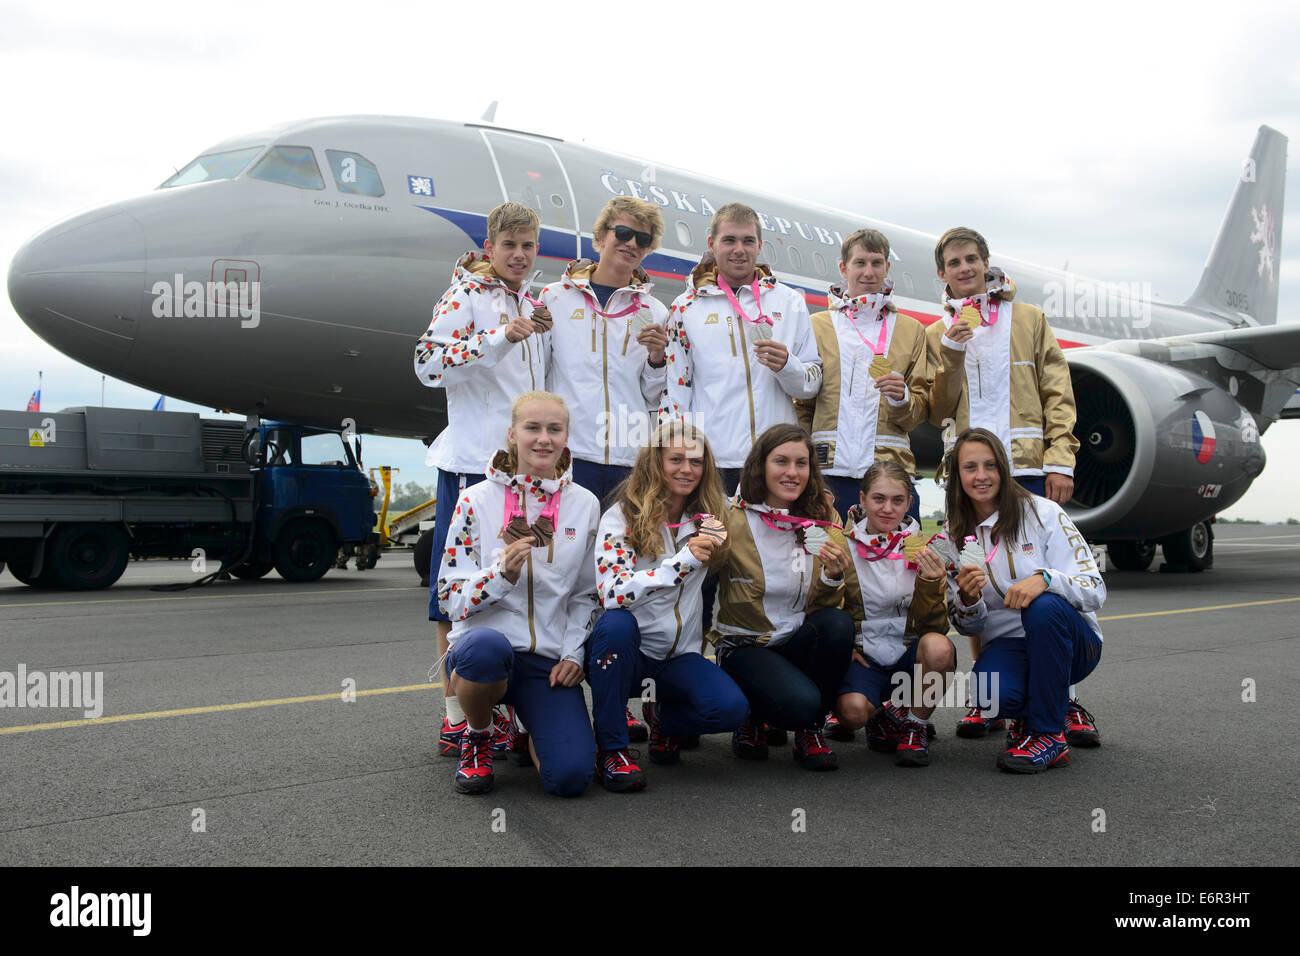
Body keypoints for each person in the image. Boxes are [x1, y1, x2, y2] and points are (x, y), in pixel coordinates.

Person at [925, 226, 1096, 742]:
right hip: (970, 473)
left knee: (1040, 575)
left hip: (1023, 467)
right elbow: (934, 410)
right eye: (954, 263)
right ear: (943, 274)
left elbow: (1057, 393)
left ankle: (1063, 700)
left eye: (972, 259)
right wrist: (952, 352)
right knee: (982, 574)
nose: (965, 269)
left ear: (986, 263)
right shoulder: (938, 334)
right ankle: (990, 700)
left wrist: (1061, 460)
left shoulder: (1030, 319)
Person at [414, 202, 550, 759]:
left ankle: (511, 709)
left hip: (525, 474)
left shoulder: (534, 304)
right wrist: (496, 337)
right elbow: (425, 364)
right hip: (473, 467)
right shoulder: (464, 296)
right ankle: (456, 714)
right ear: (490, 247)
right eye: (509, 245)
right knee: (457, 593)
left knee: (519, 585)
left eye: (528, 246)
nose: (519, 255)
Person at [541, 196, 671, 745]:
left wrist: (660, 360)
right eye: (622, 233)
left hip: (628, 466)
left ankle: (623, 702)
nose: (631, 244)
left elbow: (654, 395)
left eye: (642, 239)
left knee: (627, 587)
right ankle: (547, 702)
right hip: (571, 464)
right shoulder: (552, 298)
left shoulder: (654, 312)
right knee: (565, 578)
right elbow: (540, 377)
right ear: (599, 235)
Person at [436, 391, 599, 796]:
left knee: (570, 779)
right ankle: (479, 733)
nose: (543, 438)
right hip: (488, 651)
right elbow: (448, 596)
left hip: (546, 661)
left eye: (554, 429)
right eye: (532, 428)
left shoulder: (585, 505)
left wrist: (573, 653)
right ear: (512, 434)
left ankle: (525, 723)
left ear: (566, 437)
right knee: (482, 649)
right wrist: (500, 575)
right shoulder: (473, 500)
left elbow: (586, 595)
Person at [585, 421, 750, 790]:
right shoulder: (622, 516)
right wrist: (680, 563)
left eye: (696, 461)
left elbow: (759, 510)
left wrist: (822, 514)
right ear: (654, 462)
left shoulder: (712, 515)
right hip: (630, 653)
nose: (687, 469)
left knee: (732, 710)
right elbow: (612, 593)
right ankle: (611, 748)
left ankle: (662, 718)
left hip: (680, 655)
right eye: (676, 459)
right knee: (614, 626)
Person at [943, 428, 1104, 774]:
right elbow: (966, 624)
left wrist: (1046, 579)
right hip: (1009, 645)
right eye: (970, 467)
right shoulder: (951, 536)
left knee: (1042, 607)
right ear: (957, 476)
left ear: (1003, 469)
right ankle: (1036, 713)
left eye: (990, 466)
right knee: (989, 695)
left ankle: (1048, 735)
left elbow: (1095, 589)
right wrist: (968, 600)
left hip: (1073, 645)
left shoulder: (1044, 514)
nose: (981, 476)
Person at [708, 424, 855, 770]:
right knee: (799, 703)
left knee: (837, 625)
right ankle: (752, 715)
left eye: (801, 463)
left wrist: (833, 578)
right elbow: (699, 584)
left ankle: (810, 730)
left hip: (795, 640)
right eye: (781, 462)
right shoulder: (730, 517)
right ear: (761, 465)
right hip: (746, 645)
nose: (792, 472)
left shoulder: (823, 519)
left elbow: (826, 608)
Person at [660, 203, 822, 489]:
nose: (739, 249)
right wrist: (680, 454)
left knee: (771, 535)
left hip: (773, 462)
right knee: (713, 535)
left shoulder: (790, 302)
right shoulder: (685, 307)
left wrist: (788, 366)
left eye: (748, 241)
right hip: (712, 463)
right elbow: (676, 390)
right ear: (712, 244)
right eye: (729, 240)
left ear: (759, 245)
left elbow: (811, 384)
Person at [796, 229, 930, 523]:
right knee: (827, 565)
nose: (868, 272)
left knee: (898, 566)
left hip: (890, 478)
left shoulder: (912, 330)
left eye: (876, 263)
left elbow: (918, 413)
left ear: (887, 268)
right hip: (828, 476)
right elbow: (801, 405)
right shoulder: (816, 325)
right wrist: (806, 463)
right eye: (860, 263)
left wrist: (903, 398)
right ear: (843, 268)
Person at [830, 461, 954, 766]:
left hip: (908, 653)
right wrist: (843, 648)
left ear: (909, 503)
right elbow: (825, 609)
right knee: (852, 713)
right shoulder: (840, 546)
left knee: (939, 648)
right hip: (864, 656)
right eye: (878, 499)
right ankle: (884, 714)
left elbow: (936, 626)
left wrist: (930, 583)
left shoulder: (924, 548)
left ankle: (915, 724)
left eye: (897, 500)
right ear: (862, 499)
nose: (887, 509)